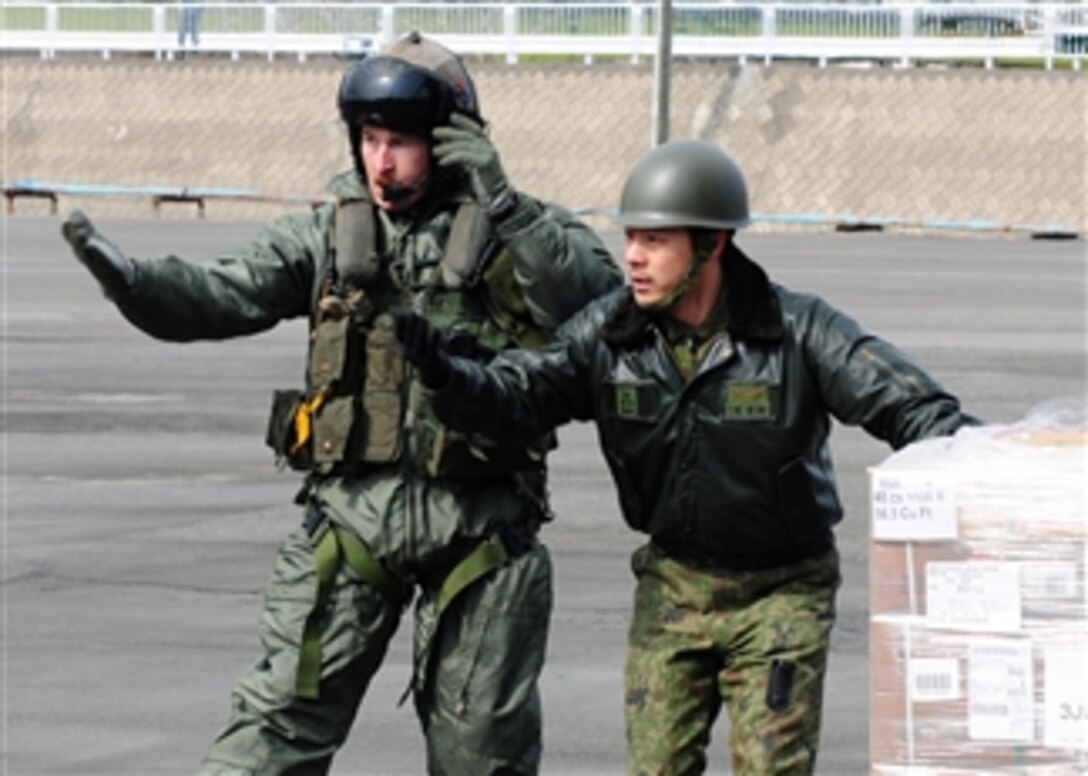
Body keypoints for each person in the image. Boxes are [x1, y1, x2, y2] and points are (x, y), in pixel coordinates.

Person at [61, 31, 622, 776]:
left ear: (454, 143)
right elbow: (221, 293)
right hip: (352, 527)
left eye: (402, 143)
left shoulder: (518, 230)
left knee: (482, 752)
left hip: (482, 531)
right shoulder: (329, 238)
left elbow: (599, 309)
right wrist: (133, 283)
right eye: (370, 139)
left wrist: (509, 208)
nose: (381, 161)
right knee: (272, 734)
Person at [392, 139, 981, 775]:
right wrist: (447, 376)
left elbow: (917, 411)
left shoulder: (797, 331)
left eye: (655, 241)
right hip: (673, 584)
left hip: (781, 591)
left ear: (711, 245)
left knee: (770, 768)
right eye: (631, 239)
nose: (634, 259)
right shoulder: (610, 335)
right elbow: (522, 393)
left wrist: (1009, 482)